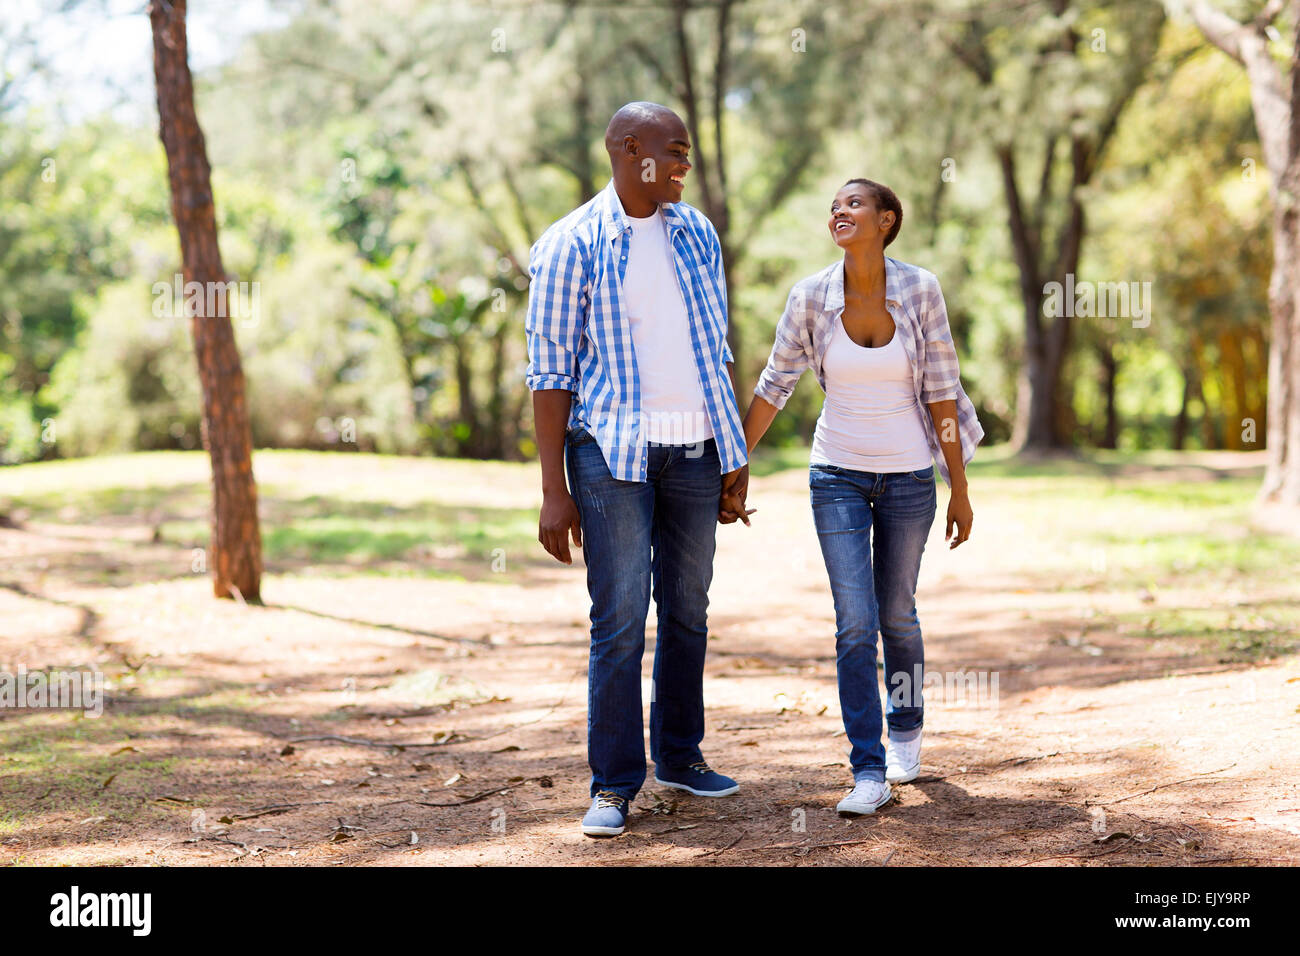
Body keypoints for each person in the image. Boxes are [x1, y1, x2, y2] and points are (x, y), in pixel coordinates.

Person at [524, 102, 750, 838]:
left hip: (695, 452)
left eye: (687, 150)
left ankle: (681, 757)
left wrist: (731, 455)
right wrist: (554, 490)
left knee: (688, 611)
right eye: (674, 150)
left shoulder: (697, 232)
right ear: (630, 149)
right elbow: (550, 374)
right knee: (619, 620)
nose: (685, 164)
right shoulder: (569, 245)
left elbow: (715, 349)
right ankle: (615, 783)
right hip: (610, 455)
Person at [729, 178, 983, 815]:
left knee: (897, 614)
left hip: (907, 479)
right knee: (854, 624)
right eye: (834, 205)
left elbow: (943, 392)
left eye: (854, 203)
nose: (839, 210)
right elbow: (775, 384)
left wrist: (959, 485)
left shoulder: (920, 288)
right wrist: (737, 461)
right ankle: (867, 769)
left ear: (886, 219)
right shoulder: (811, 296)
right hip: (836, 474)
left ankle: (906, 732)